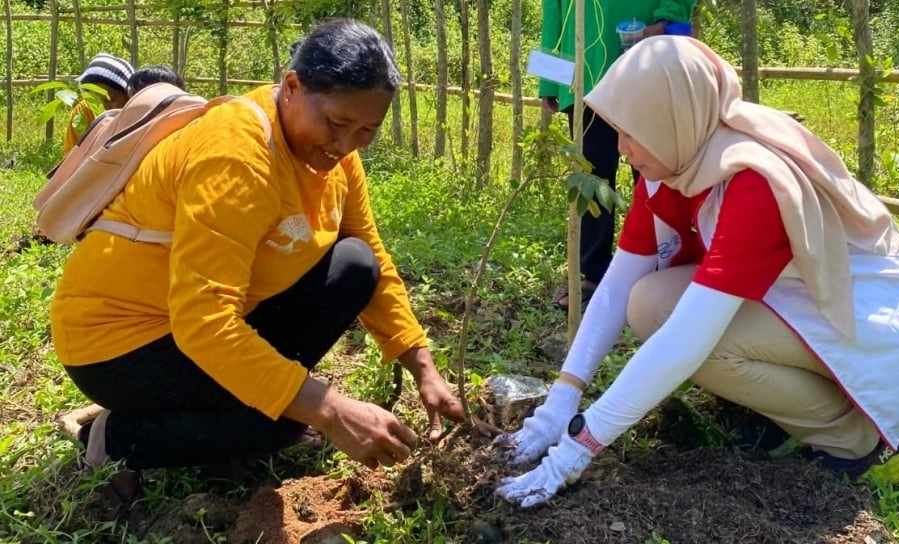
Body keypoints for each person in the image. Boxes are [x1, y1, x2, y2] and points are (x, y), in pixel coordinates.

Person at [495, 36, 899, 508]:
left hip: (869, 323)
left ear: (672, 117)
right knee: (648, 302)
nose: (622, 148)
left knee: (695, 341)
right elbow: (618, 284)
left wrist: (575, 450)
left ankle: (859, 441)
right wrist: (562, 400)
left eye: (632, 131)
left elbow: (686, 340)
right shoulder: (676, 160)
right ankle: (792, 411)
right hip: (794, 300)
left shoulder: (755, 181)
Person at [51, 19, 464, 508]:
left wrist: (422, 365)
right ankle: (114, 439)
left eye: (366, 131)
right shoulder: (237, 155)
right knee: (281, 421)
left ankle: (234, 413)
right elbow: (203, 322)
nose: (346, 144)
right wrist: (327, 410)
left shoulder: (333, 153)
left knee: (355, 264)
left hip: (199, 321)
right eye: (336, 124)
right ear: (291, 87)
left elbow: (367, 246)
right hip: (118, 343)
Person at [542, 0, 696, 310]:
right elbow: (553, 13)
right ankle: (592, 274)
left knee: (655, 172)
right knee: (591, 177)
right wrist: (549, 80)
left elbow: (677, 8)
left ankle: (666, 268)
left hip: (643, 65)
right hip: (584, 77)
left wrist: (665, 25)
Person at [64, 53, 133, 155]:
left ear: (129, 96)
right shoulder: (84, 111)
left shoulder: (137, 115)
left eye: (111, 99)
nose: (104, 106)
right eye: (96, 100)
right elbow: (71, 156)